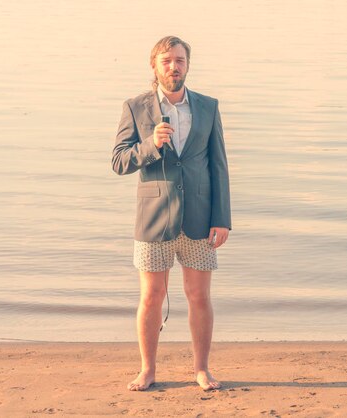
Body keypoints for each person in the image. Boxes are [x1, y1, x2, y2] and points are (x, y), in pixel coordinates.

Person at [112, 36, 231, 392]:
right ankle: (147, 370)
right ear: (154, 66)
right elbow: (118, 161)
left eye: (179, 60)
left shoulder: (208, 107)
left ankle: (202, 369)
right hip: (154, 219)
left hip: (199, 217)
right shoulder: (135, 107)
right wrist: (150, 146)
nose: (173, 67)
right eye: (166, 61)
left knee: (199, 296)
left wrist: (221, 218)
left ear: (187, 65)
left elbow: (219, 166)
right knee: (151, 297)